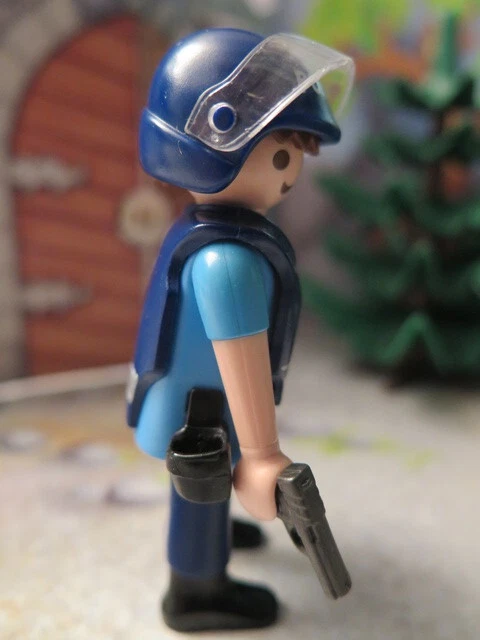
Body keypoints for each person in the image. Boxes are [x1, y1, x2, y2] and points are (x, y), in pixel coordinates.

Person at [126, 27, 354, 632]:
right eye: (281, 155)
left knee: (204, 492)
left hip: (188, 395)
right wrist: (260, 455)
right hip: (200, 413)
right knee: (198, 492)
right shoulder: (229, 261)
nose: (291, 172)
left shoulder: (205, 232)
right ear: (214, 149)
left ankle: (216, 529)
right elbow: (241, 359)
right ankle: (197, 590)